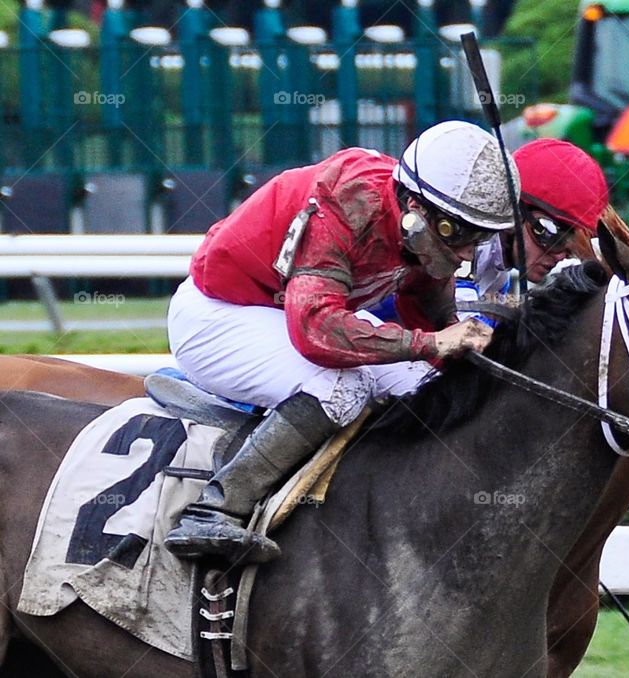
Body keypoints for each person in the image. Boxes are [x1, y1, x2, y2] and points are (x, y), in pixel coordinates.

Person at [163, 120, 519, 563]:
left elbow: (426, 309)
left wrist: (467, 349)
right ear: (414, 205)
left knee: (422, 385)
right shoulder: (348, 201)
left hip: (289, 315)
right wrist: (431, 343)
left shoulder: (421, 223)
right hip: (219, 313)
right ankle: (216, 510)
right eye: (457, 233)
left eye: (480, 236)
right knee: (341, 388)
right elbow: (316, 329)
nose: (468, 252)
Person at [460, 138, 608, 314]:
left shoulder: (500, 268)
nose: (560, 257)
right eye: (553, 236)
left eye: (571, 249)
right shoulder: (462, 250)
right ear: (511, 210)